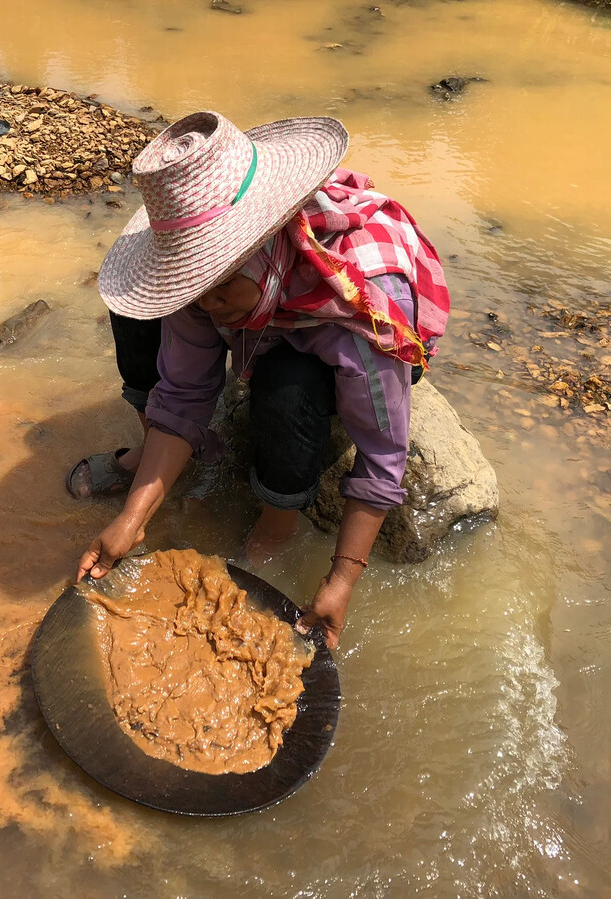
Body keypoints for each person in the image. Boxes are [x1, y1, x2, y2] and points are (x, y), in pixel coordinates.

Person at [69, 110, 449, 649]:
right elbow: (185, 392)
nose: (205, 301)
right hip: (273, 304)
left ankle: (278, 522)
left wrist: (340, 580)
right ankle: (149, 471)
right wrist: (133, 520)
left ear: (267, 241)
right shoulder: (206, 285)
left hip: (348, 328)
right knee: (138, 310)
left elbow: (383, 457)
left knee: (286, 386)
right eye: (194, 282)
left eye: (217, 283)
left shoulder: (362, 304)